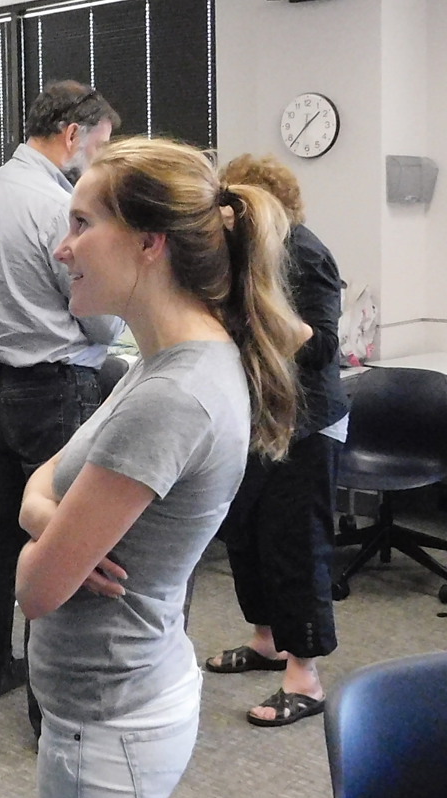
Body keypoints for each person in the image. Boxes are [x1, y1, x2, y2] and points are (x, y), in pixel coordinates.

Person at [16, 136, 306, 798]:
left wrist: (47, 540)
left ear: (151, 242)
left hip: (111, 719)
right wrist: (47, 518)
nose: (63, 248)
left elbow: (36, 591)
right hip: (114, 698)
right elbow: (44, 478)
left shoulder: (171, 396)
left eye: (82, 223)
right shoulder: (159, 360)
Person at [0, 80, 122, 715]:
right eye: (101, 145)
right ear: (71, 135)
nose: (101, 160)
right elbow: (93, 312)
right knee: (60, 540)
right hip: (56, 385)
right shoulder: (56, 204)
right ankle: (47, 707)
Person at [204, 153, 347, 728]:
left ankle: (305, 675)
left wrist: (258, 315)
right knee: (247, 536)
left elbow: (323, 347)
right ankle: (267, 643)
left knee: (294, 543)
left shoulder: (305, 254)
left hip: (307, 422)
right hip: (258, 418)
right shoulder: (243, 258)